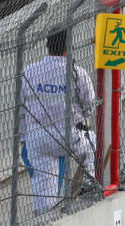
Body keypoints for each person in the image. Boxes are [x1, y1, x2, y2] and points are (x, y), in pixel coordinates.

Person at [20, 29, 97, 214]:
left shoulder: (28, 72)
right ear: (69, 46)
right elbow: (90, 107)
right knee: (93, 141)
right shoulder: (77, 73)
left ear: (46, 45)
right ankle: (88, 180)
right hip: (67, 134)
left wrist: (24, 138)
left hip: (37, 136)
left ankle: (43, 218)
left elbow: (20, 108)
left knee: (44, 188)